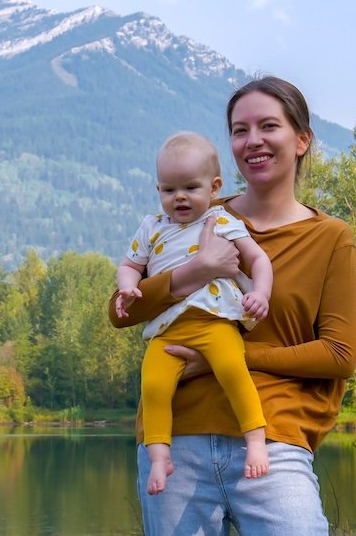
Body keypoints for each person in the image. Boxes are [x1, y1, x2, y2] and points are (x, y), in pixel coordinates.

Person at [108, 76, 356, 535]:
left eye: (269, 126)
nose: (253, 141)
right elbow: (120, 312)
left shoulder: (330, 238)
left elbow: (340, 356)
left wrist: (223, 358)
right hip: (175, 443)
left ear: (302, 140)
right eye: (240, 130)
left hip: (273, 440)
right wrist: (195, 271)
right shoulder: (191, 215)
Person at [116, 131, 275, 496]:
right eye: (169, 190)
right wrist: (128, 284)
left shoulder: (220, 222)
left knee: (234, 370)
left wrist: (262, 293)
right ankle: (159, 455)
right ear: (158, 190)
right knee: (154, 386)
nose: (180, 197)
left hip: (214, 321)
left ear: (214, 186)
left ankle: (254, 439)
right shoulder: (151, 228)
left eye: (190, 187)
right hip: (166, 330)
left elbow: (258, 260)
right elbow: (128, 264)